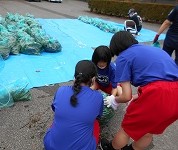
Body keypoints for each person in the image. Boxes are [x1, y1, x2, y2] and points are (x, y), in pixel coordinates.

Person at [100, 31, 178, 150]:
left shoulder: (123, 57)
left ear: (115, 47)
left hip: (157, 94)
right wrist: (138, 96)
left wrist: (114, 100)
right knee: (149, 130)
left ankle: (111, 148)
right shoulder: (155, 50)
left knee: (127, 129)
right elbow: (161, 79)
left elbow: (126, 96)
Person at [43, 60, 104, 150]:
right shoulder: (98, 97)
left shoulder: (61, 90)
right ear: (93, 79)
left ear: (74, 77)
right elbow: (98, 116)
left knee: (60, 119)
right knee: (95, 123)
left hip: (50, 146)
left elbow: (55, 109)